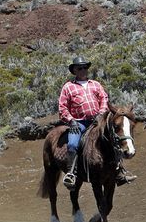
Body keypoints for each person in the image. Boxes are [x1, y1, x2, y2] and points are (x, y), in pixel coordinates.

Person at [58, 56, 136, 190]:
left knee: (112, 139)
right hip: (79, 122)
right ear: (74, 71)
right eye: (79, 68)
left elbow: (104, 99)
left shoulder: (95, 84)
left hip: (97, 119)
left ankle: (119, 172)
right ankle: (72, 174)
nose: (83, 70)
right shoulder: (68, 87)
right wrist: (71, 121)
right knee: (72, 144)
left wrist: (101, 113)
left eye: (84, 67)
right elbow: (62, 107)